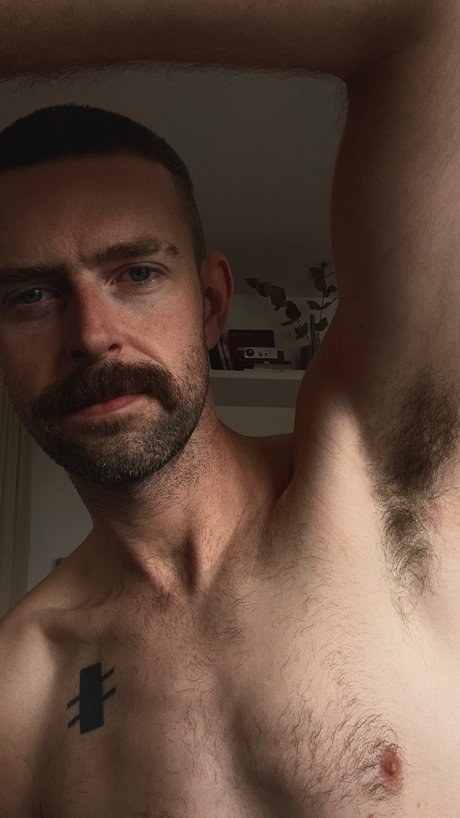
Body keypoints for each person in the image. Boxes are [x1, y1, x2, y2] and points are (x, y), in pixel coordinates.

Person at [0, 1, 459, 815]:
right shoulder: (22, 687)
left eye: (136, 274)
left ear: (211, 304)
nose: (93, 335)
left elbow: (432, 22)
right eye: (32, 295)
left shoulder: (378, 485)